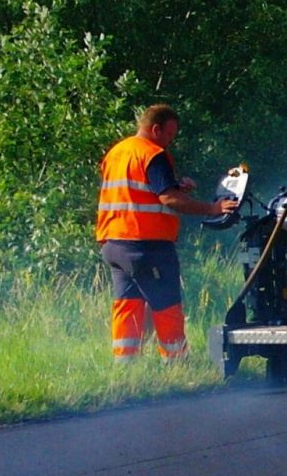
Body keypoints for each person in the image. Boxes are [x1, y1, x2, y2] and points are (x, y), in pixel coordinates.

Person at [96, 104, 238, 361]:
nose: (170, 141)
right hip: (146, 246)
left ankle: (125, 364)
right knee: (167, 305)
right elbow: (167, 199)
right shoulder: (153, 154)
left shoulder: (117, 152)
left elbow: (135, 192)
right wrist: (212, 208)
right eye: (169, 135)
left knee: (128, 305)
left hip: (114, 243)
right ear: (155, 129)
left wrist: (177, 187)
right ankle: (176, 361)